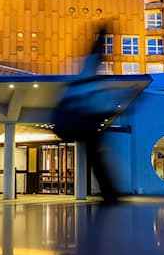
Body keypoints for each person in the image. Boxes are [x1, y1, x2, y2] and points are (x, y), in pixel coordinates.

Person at [52, 25, 138, 204]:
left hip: (74, 120)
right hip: (77, 119)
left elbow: (93, 58)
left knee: (95, 154)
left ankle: (109, 194)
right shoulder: (92, 84)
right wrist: (102, 35)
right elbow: (94, 57)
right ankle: (109, 194)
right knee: (96, 153)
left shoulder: (93, 87)